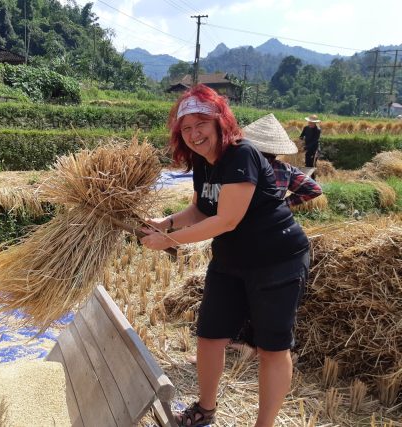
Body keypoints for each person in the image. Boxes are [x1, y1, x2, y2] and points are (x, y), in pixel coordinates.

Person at [140, 85, 311, 427]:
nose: (193, 134)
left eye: (200, 124)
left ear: (220, 122)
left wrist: (169, 239)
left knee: (272, 348)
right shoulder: (203, 163)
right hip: (231, 261)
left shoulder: (241, 154)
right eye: (185, 129)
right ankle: (204, 410)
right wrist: (164, 222)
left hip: (277, 259)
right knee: (210, 335)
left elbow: (226, 219)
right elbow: (201, 210)